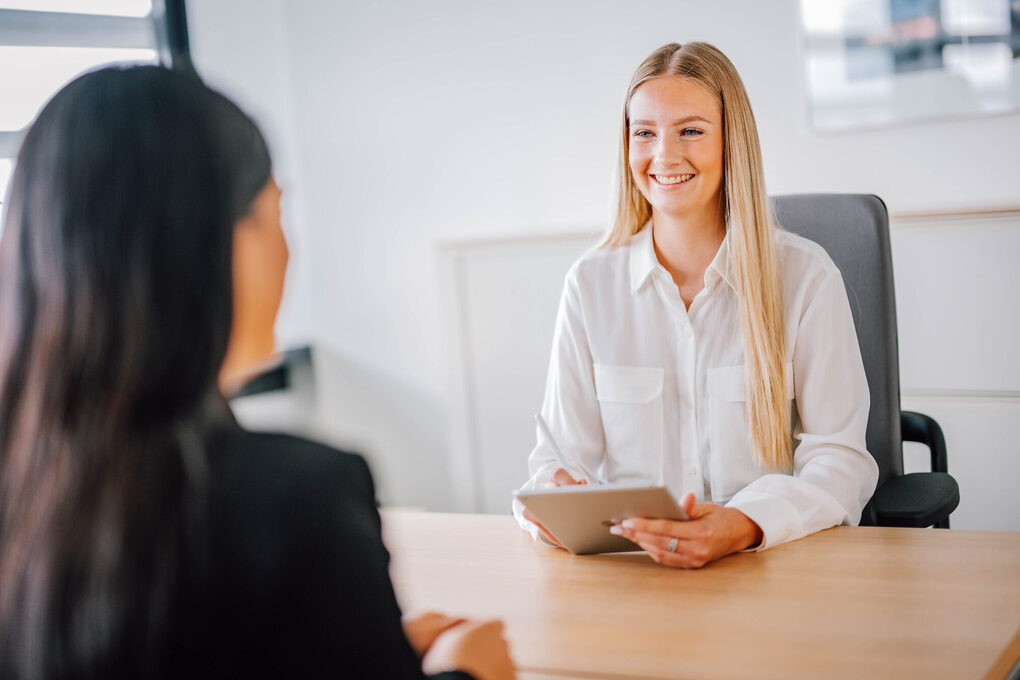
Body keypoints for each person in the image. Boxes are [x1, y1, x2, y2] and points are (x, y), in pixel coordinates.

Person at [0, 65, 514, 680]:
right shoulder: (297, 501)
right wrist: (465, 673)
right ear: (209, 242)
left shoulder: (25, 486)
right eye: (273, 212)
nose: (289, 250)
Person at [512, 42, 878, 568]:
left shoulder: (806, 276)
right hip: (639, 575)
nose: (664, 155)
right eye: (644, 133)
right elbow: (555, 464)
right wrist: (553, 500)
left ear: (732, 142)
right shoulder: (590, 285)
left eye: (690, 131)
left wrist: (744, 525)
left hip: (769, 568)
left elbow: (840, 461)